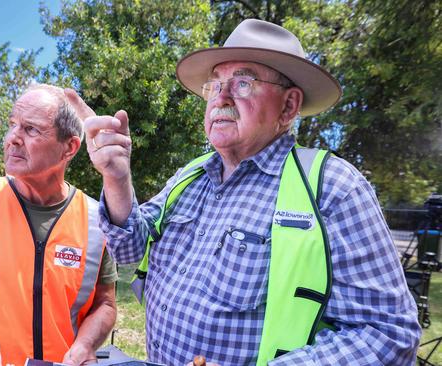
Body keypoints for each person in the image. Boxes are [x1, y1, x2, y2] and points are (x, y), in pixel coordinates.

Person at [70, 19, 421, 365]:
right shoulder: (190, 176)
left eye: (242, 83)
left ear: (288, 106)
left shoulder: (334, 189)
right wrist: (116, 177)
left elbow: (390, 332)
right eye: (215, 84)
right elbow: (129, 248)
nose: (219, 98)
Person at [0, 83, 118, 366]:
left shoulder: (95, 219)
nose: (13, 138)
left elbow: (105, 303)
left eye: (31, 129)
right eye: (12, 125)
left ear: (70, 147)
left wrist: (86, 344)